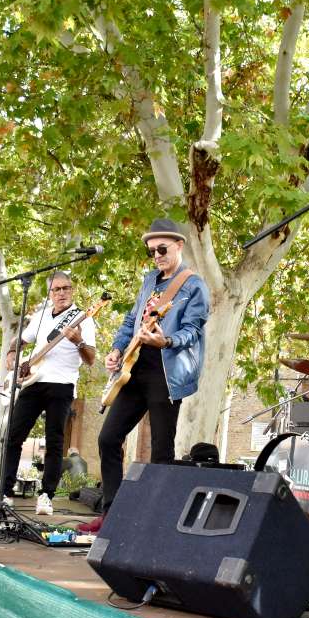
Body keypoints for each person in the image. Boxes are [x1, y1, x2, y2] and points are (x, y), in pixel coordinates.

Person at [85, 218, 210, 533]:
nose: (157, 255)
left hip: (167, 372)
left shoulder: (194, 285)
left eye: (162, 249)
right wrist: (116, 349)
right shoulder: (148, 281)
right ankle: (112, 515)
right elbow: (131, 321)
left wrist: (165, 340)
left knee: (161, 450)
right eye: (152, 251)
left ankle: (156, 524)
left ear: (179, 246)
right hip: (134, 367)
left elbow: (192, 330)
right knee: (108, 438)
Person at [0, 270, 96, 516]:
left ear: (71, 290)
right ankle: (5, 491)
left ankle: (46, 495)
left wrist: (78, 342)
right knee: (13, 436)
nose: (62, 293)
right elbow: (20, 341)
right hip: (33, 383)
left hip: (62, 385)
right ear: (50, 293)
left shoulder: (83, 318)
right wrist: (12, 353)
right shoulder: (41, 317)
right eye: (57, 289)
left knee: (54, 442)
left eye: (66, 288)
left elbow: (91, 359)